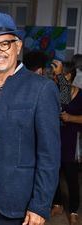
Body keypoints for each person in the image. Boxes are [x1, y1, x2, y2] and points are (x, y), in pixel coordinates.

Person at [0, 12, 60, 225]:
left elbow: (49, 155)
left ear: (18, 46)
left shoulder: (42, 89)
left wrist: (40, 205)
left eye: (4, 44)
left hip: (16, 206)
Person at [51, 61, 82, 225]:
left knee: (71, 178)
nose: (54, 78)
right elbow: (64, 95)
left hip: (72, 142)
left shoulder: (81, 95)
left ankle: (73, 211)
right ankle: (58, 204)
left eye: (57, 75)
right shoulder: (58, 92)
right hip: (55, 140)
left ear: (68, 75)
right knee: (53, 174)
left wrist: (71, 118)